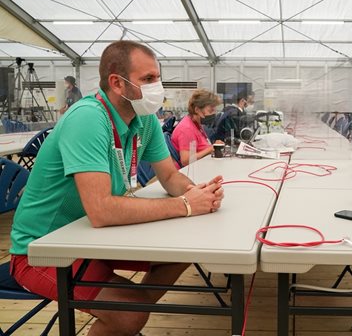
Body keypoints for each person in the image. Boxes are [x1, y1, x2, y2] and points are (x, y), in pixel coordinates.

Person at [10, 40, 224, 336]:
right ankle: (127, 317)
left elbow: (171, 178)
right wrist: (186, 206)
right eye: (148, 79)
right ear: (117, 83)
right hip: (43, 250)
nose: (156, 86)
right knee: (128, 314)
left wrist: (197, 192)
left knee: (181, 253)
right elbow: (101, 210)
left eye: (157, 78)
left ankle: (128, 316)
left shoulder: (144, 118)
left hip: (93, 238)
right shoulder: (88, 118)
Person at [171, 89, 223, 166]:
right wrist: (211, 149)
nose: (213, 114)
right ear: (197, 110)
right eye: (210, 111)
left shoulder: (196, 124)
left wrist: (214, 146)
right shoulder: (186, 129)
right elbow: (186, 161)